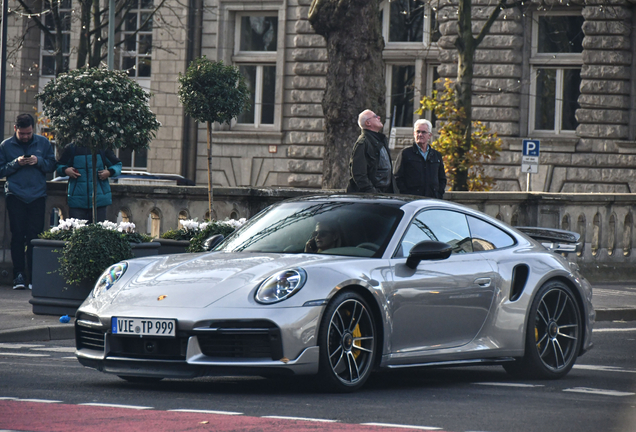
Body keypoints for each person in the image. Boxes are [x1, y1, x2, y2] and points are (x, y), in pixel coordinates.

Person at [0, 113, 56, 290]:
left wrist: (38, 161)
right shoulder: (6, 146)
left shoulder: (43, 143)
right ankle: (18, 275)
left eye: (28, 133)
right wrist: (16, 163)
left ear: (33, 130)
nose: (25, 136)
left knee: (35, 236)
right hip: (15, 195)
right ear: (15, 129)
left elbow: (52, 165)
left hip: (37, 195)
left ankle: (33, 276)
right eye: (22, 133)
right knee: (17, 236)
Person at [55, 144, 122, 223]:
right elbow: (59, 166)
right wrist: (65, 170)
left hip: (98, 202)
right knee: (77, 233)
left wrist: (109, 172)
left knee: (98, 232)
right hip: (77, 202)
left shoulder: (102, 148)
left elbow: (117, 165)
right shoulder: (71, 148)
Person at [346, 109, 398, 194]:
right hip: (372, 197)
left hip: (383, 194)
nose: (379, 117)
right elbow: (359, 174)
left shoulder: (380, 140)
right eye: (375, 116)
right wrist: (372, 193)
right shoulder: (363, 143)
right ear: (368, 123)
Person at [394, 118, 447, 199]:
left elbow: (442, 179)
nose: (420, 135)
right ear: (414, 134)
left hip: (432, 200)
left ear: (429, 135)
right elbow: (397, 177)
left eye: (423, 132)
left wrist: (438, 195)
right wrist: (406, 195)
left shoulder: (436, 155)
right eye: (418, 132)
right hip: (412, 200)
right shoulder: (405, 154)